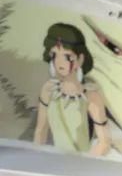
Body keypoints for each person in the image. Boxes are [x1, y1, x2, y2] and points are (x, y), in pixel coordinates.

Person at [32, 22, 112, 157]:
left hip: (81, 166)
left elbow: (104, 143)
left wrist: (82, 167)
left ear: (80, 59)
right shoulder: (48, 89)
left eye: (67, 56)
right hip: (52, 163)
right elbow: (41, 131)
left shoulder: (91, 96)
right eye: (54, 55)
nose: (59, 62)